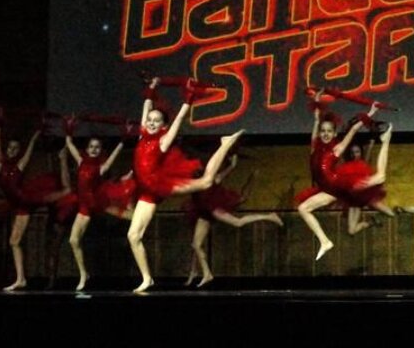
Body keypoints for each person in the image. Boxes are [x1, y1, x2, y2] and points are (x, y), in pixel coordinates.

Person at [127, 76, 244, 293]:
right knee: (133, 236)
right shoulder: (142, 135)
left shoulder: (163, 141)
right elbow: (146, 107)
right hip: (145, 191)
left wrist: (188, 100)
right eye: (149, 120)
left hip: (159, 185)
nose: (151, 123)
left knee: (207, 182)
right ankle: (147, 279)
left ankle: (225, 144)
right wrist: (151, 90)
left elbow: (179, 119)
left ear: (163, 126)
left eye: (156, 121)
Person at [295, 89, 393, 261]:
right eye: (323, 131)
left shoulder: (336, 149)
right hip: (326, 190)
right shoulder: (314, 146)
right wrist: (317, 101)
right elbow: (316, 120)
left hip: (339, 186)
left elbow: (354, 129)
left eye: (329, 131)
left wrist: (370, 112)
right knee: (302, 208)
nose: (325, 134)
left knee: (380, 178)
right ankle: (325, 242)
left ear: (334, 134)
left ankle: (385, 140)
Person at [183, 153, 283, 288]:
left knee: (238, 222)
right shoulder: (193, 183)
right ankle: (196, 272)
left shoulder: (211, 179)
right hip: (203, 212)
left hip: (212, 209)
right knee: (196, 244)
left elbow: (228, 171)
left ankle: (269, 216)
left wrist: (233, 163)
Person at [0, 120, 72, 291]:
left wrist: (35, 136)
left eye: (15, 148)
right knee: (14, 242)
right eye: (10, 148)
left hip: (25, 201)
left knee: (14, 241)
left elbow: (29, 151)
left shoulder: (19, 165)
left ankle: (21, 279)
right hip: (18, 204)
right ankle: (21, 279)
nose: (12, 151)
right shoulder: (0, 164)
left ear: (19, 151)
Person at [65, 118, 137, 291]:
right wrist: (69, 129)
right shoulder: (80, 161)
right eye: (91, 147)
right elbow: (69, 143)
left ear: (100, 150)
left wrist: (123, 140)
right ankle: (84, 274)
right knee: (73, 240)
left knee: (131, 216)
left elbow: (113, 156)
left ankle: (139, 212)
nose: (94, 149)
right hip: (84, 206)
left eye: (97, 147)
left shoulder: (101, 168)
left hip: (97, 202)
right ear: (87, 149)